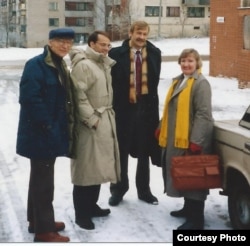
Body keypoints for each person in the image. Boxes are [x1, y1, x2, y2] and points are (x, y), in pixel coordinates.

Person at [16, 28, 75, 242]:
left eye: (69, 42)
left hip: (48, 132)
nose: (65, 46)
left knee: (39, 179)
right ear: (50, 42)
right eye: (60, 41)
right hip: (39, 133)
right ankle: (44, 231)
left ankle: (37, 221)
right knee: (43, 183)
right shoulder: (36, 64)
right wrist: (48, 125)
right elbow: (29, 99)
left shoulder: (58, 64)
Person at [69, 31, 121, 230]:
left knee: (97, 167)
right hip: (89, 125)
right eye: (102, 45)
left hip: (103, 120)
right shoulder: (84, 66)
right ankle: (81, 214)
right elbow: (77, 95)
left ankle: (91, 206)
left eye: (108, 45)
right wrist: (91, 119)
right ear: (91, 44)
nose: (106, 48)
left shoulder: (101, 63)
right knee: (85, 169)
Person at [157, 48, 214, 230]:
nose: (186, 64)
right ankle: (188, 209)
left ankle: (196, 220)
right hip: (177, 139)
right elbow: (170, 109)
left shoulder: (200, 84)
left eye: (190, 61)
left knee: (194, 177)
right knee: (184, 175)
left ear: (197, 63)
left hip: (192, 140)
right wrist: (160, 127)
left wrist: (197, 141)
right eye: (183, 61)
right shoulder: (180, 81)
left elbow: (203, 114)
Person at [108, 21, 161, 206]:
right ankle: (118, 190)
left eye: (145, 34)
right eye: (139, 33)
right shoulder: (115, 54)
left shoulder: (155, 54)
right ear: (131, 33)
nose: (142, 37)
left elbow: (154, 86)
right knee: (120, 152)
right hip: (123, 109)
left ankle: (144, 191)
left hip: (145, 110)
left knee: (144, 151)